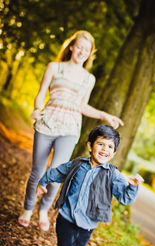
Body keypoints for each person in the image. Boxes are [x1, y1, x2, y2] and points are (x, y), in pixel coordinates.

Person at [18, 30, 124, 231]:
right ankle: (27, 208)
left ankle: (43, 209)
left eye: (87, 49)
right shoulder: (54, 67)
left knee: (57, 171)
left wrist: (104, 115)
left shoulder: (88, 79)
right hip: (47, 123)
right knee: (38, 170)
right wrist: (36, 109)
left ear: (89, 53)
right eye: (80, 47)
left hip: (70, 128)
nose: (82, 52)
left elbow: (82, 106)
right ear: (72, 47)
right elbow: (41, 93)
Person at [29, 124, 144, 246]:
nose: (105, 149)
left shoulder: (113, 175)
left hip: (88, 225)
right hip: (67, 217)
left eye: (110, 147)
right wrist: (43, 182)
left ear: (113, 153)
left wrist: (133, 187)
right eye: (101, 144)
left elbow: (125, 198)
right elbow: (56, 172)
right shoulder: (77, 165)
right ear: (90, 146)